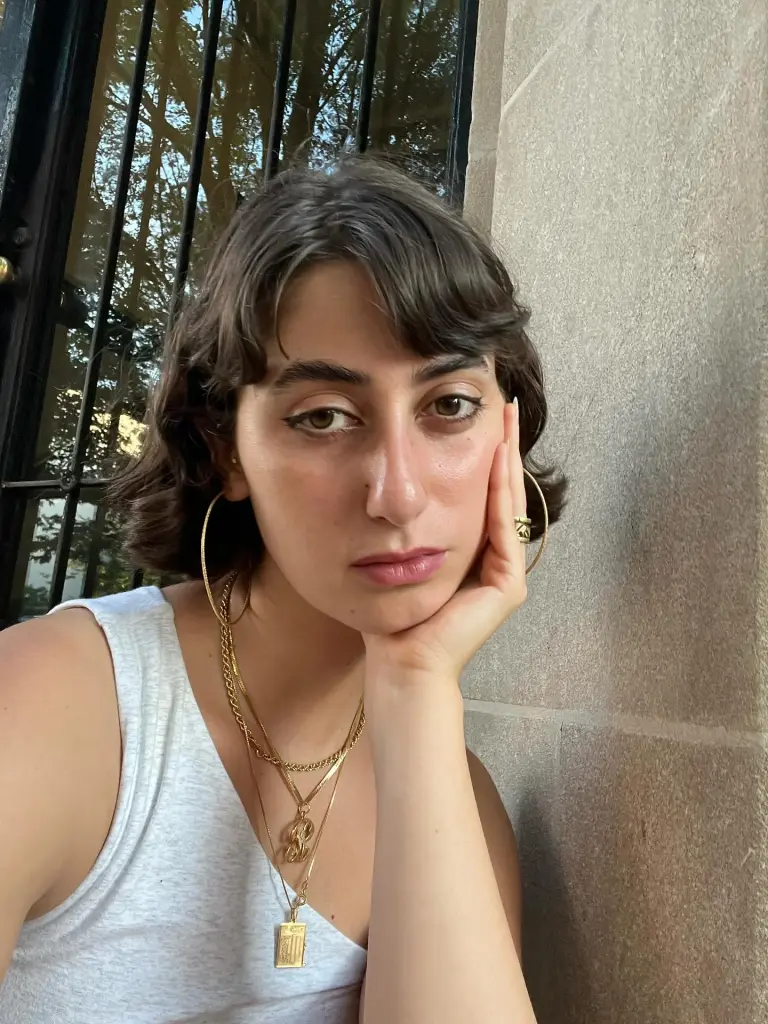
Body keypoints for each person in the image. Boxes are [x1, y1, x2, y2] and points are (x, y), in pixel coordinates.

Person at [0, 157, 565, 1023]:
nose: (400, 493)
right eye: (324, 417)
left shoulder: (461, 805)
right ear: (227, 449)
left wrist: (415, 690)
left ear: (505, 432)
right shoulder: (51, 706)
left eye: (449, 405)